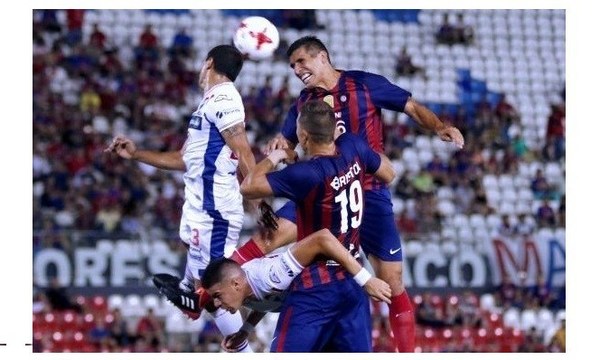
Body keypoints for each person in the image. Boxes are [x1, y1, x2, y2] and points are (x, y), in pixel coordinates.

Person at [228, 35, 464, 352]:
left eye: (301, 61)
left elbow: (411, 106)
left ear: (322, 57)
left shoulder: (364, 85)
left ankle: (405, 352)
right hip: (323, 191)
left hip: (369, 195)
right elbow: (288, 144)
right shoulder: (304, 104)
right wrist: (280, 148)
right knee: (270, 236)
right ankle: (208, 292)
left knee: (393, 283)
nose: (297, 70)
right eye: (292, 65)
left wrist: (438, 127)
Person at [105, 44, 256, 352]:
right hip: (199, 203)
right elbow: (184, 158)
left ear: (209, 63)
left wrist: (259, 196)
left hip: (214, 207)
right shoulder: (207, 104)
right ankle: (191, 295)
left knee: (216, 287)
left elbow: (242, 150)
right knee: (199, 282)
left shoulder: (226, 97)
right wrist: (136, 154)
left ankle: (243, 350)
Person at [239, 99, 396, 351]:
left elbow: (248, 186)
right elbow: (389, 173)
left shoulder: (306, 174)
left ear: (302, 135)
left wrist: (278, 154)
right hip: (353, 283)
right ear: (335, 129)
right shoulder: (353, 145)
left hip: (316, 286)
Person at [202, 228, 392, 351]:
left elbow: (322, 238)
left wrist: (366, 279)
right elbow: (266, 301)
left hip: (337, 290)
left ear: (236, 284)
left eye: (217, 296)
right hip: (325, 304)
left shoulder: (271, 275)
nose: (217, 303)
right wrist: (245, 331)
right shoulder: (244, 290)